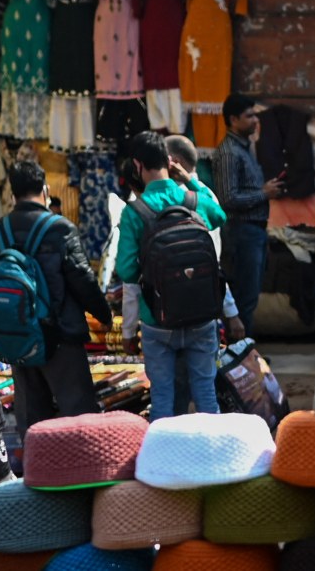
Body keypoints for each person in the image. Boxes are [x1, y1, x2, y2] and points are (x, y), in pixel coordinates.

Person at [0, 161, 112, 430]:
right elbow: (82, 279)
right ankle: (84, 471)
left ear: (12, 193)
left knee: (32, 421)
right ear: (45, 189)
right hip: (59, 335)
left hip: (17, 335)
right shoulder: (59, 228)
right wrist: (104, 314)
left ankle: (36, 469)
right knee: (79, 417)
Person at [116, 131, 228, 420]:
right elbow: (220, 217)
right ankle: (214, 461)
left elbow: (127, 271)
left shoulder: (134, 212)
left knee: (162, 398)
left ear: (138, 166)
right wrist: (190, 178)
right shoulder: (192, 199)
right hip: (202, 316)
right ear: (169, 161)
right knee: (205, 392)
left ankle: (163, 462)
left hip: (157, 320)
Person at [165, 134, 245, 414]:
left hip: (168, 312)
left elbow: (212, 263)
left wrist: (231, 312)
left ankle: (166, 452)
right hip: (203, 309)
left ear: (173, 163)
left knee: (172, 394)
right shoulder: (203, 196)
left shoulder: (173, 198)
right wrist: (231, 312)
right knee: (203, 387)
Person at [213, 94, 284, 334]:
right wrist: (263, 194)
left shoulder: (244, 148)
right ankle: (241, 358)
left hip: (253, 232)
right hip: (240, 233)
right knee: (244, 296)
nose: (255, 120)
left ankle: (246, 355)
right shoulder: (228, 153)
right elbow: (227, 199)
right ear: (233, 119)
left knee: (250, 295)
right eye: (249, 116)